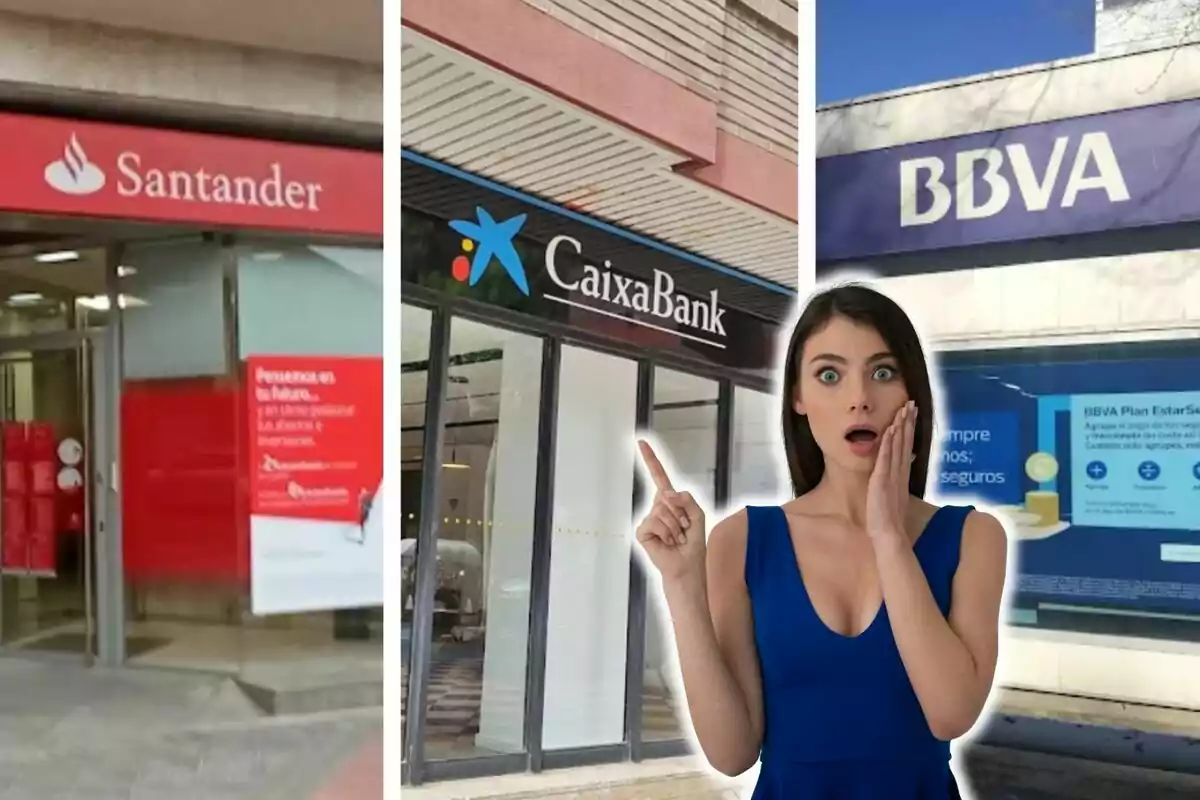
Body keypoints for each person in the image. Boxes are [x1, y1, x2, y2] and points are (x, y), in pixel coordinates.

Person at [634, 282, 1008, 799]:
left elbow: (950, 714)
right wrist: (681, 584)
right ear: (799, 398)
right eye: (829, 375)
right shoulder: (743, 539)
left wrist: (888, 536)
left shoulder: (973, 537)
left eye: (883, 372)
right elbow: (732, 752)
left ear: (911, 393)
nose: (859, 399)